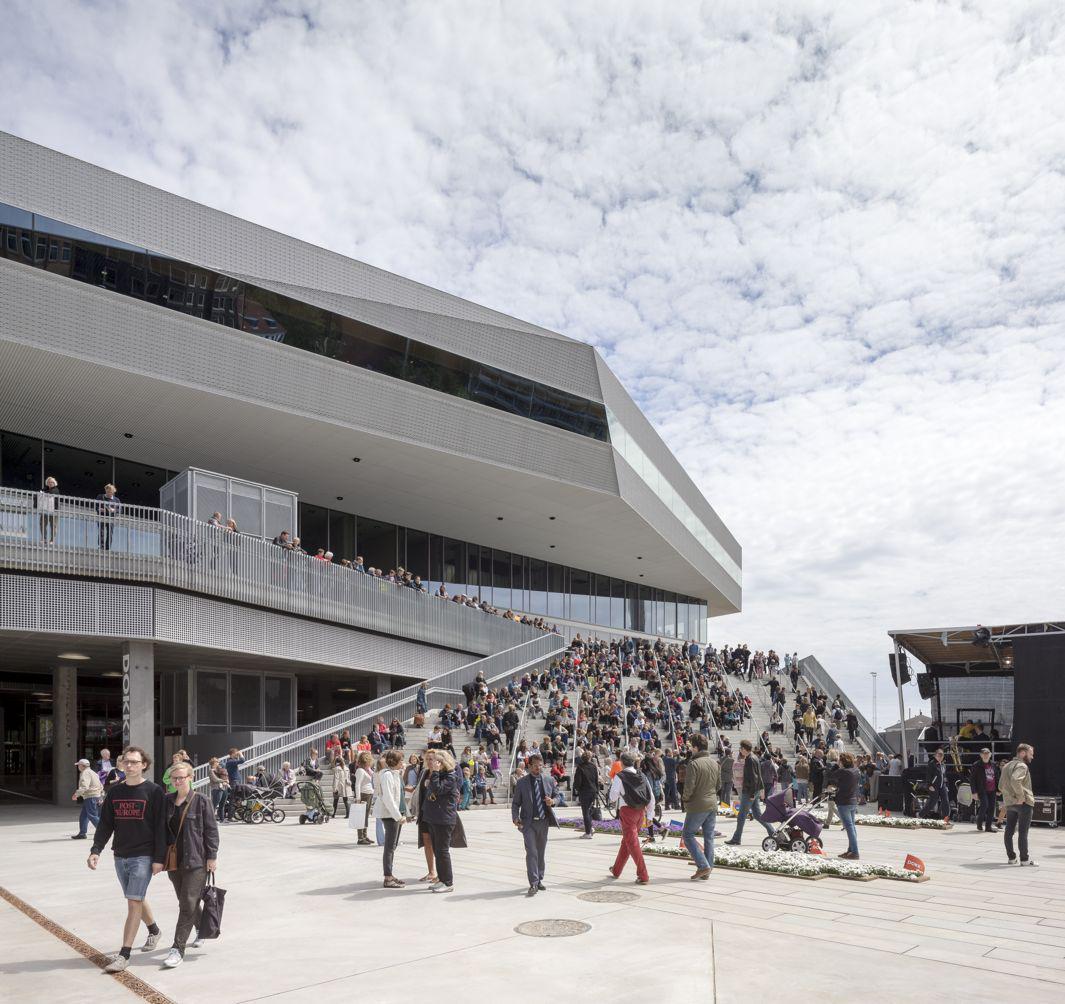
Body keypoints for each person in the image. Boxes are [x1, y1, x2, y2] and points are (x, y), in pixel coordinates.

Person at [88, 747, 168, 973]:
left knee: (133, 902)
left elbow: (161, 827)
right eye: (126, 762)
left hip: (143, 856)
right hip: (120, 855)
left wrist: (159, 858)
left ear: (144, 764)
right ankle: (154, 930)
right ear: (121, 765)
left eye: (135, 762)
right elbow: (105, 824)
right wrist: (96, 850)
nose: (130, 766)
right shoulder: (114, 791)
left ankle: (124, 955)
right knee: (137, 898)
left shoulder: (154, 792)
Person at [160, 762, 218, 968]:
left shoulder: (202, 801)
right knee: (187, 901)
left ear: (190, 778)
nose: (177, 781)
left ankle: (177, 948)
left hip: (197, 861)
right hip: (174, 862)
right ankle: (202, 928)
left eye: (181, 777)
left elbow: (211, 830)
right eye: (174, 778)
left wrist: (212, 857)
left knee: (187, 903)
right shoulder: (167, 801)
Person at [512, 754, 559, 896]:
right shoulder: (522, 783)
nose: (537, 768)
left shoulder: (549, 780)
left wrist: (553, 801)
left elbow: (558, 795)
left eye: (540, 765)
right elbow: (515, 803)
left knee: (540, 852)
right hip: (528, 823)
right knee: (532, 852)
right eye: (535, 765)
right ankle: (533, 882)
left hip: (543, 822)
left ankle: (539, 879)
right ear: (529, 766)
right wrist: (515, 817)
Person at [607, 752, 653, 885]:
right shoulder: (642, 775)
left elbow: (612, 797)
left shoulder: (620, 776)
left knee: (632, 843)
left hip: (627, 812)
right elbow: (650, 796)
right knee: (626, 842)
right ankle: (616, 870)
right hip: (641, 812)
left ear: (621, 763)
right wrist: (650, 815)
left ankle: (643, 875)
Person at [682, 734, 720, 881]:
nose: (691, 749)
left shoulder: (694, 763)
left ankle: (703, 865)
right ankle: (708, 869)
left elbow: (689, 787)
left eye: (692, 746)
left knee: (687, 835)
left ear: (696, 748)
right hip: (712, 803)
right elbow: (719, 785)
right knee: (709, 837)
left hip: (698, 805)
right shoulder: (715, 763)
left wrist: (685, 799)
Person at [421, 750, 459, 893]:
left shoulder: (450, 776)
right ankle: (441, 879)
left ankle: (448, 882)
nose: (433, 763)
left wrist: (434, 774)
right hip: (433, 817)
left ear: (443, 762)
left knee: (443, 851)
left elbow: (438, 789)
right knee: (438, 850)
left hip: (444, 819)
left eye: (437, 761)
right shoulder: (439, 775)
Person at [725, 739, 775, 846]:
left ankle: (736, 839)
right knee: (757, 815)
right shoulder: (754, 757)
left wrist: (752, 794)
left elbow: (754, 778)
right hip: (754, 790)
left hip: (749, 791)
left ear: (744, 749)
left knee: (741, 816)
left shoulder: (750, 759)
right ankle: (772, 832)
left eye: (741, 748)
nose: (740, 750)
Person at [373, 749, 407, 888]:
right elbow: (388, 798)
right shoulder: (387, 775)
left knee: (392, 846)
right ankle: (388, 877)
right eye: (401, 761)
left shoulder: (394, 774)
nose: (403, 763)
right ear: (395, 762)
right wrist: (398, 816)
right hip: (390, 815)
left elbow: (399, 796)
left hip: (395, 814)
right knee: (389, 847)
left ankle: (390, 874)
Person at [1001, 743, 1037, 866]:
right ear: (1022, 753)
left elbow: (1001, 786)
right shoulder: (1022, 765)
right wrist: (1021, 797)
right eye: (1030, 754)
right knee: (1023, 832)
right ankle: (1025, 860)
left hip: (1010, 804)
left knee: (1009, 831)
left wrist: (1010, 798)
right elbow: (1015, 780)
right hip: (1023, 803)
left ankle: (1011, 858)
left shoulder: (1006, 766)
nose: (1032, 757)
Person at [828, 751, 861, 860]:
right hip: (852, 801)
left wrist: (836, 765)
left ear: (842, 762)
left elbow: (830, 775)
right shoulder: (856, 771)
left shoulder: (843, 772)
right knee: (852, 827)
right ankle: (850, 851)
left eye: (839, 761)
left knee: (849, 827)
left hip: (844, 802)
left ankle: (855, 852)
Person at [969, 748, 1000, 833]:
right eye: (984, 753)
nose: (986, 755)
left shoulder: (994, 764)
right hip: (982, 789)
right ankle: (979, 822)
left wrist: (998, 789)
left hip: (992, 790)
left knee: (991, 808)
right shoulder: (976, 765)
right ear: (981, 755)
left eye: (987, 753)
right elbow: (972, 779)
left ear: (990, 754)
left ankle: (988, 827)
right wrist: (974, 792)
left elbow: (997, 778)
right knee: (985, 805)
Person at [71, 757, 104, 839]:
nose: (78, 767)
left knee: (92, 816)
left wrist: (76, 794)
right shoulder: (94, 773)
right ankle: (82, 833)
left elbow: (84, 786)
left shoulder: (85, 773)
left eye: (78, 765)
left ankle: (104, 831)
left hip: (90, 797)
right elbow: (101, 786)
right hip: (94, 796)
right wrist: (100, 795)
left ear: (82, 766)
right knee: (84, 816)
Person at [572, 751, 601, 838]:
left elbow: (578, 781)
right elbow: (596, 780)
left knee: (585, 812)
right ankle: (590, 827)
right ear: (590, 758)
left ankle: (588, 832)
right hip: (593, 790)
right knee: (589, 810)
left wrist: (577, 789)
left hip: (585, 792)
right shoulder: (593, 766)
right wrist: (597, 791)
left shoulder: (580, 767)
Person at [352, 752, 374, 844]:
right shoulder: (360, 770)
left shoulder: (366, 770)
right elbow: (357, 785)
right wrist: (358, 798)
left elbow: (373, 775)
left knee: (365, 816)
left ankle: (365, 835)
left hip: (368, 793)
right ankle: (360, 838)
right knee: (361, 816)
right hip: (363, 794)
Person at [924, 748, 951, 818]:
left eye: (942, 755)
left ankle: (946, 818)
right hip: (934, 786)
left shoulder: (943, 764)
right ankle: (920, 814)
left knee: (946, 801)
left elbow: (944, 776)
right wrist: (929, 785)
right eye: (939, 755)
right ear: (935, 755)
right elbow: (928, 775)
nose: (940, 757)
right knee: (932, 802)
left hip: (943, 786)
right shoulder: (932, 764)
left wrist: (946, 785)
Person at [96, 482, 120, 550]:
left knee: (110, 533)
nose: (109, 493)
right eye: (107, 492)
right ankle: (101, 546)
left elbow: (120, 510)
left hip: (111, 518)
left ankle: (107, 548)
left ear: (113, 492)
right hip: (101, 517)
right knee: (101, 532)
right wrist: (99, 509)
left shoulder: (116, 500)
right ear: (105, 490)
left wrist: (113, 510)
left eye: (110, 492)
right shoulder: (100, 497)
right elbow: (96, 506)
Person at [37, 475, 60, 543]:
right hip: (45, 509)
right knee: (42, 524)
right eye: (49, 482)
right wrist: (43, 492)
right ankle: (44, 538)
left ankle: (52, 540)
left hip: (53, 510)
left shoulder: (56, 489)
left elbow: (51, 494)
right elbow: (40, 493)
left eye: (52, 482)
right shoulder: (45, 489)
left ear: (54, 483)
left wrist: (44, 493)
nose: (50, 483)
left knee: (53, 525)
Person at [207, 757, 230, 823]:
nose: (218, 763)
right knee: (214, 804)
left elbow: (224, 776)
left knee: (222, 804)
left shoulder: (219, 770)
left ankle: (222, 819)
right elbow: (215, 779)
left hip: (223, 788)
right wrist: (224, 780)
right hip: (216, 789)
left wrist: (226, 779)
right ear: (213, 763)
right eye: (217, 762)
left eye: (218, 762)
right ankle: (211, 820)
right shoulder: (211, 771)